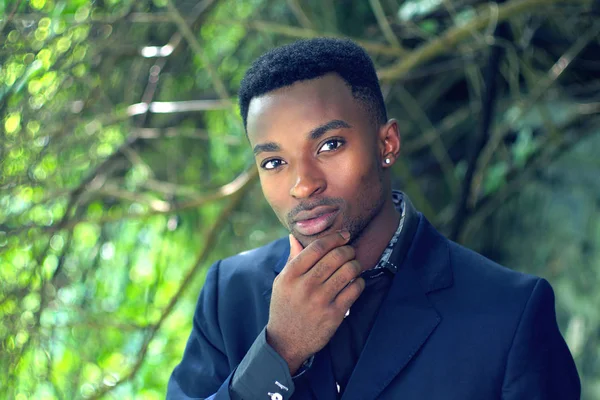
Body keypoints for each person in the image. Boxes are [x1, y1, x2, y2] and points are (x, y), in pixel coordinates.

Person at [167, 38, 580, 400]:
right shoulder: (229, 295)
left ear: (387, 143)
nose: (302, 185)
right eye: (273, 161)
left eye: (329, 145)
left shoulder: (508, 314)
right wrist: (279, 352)